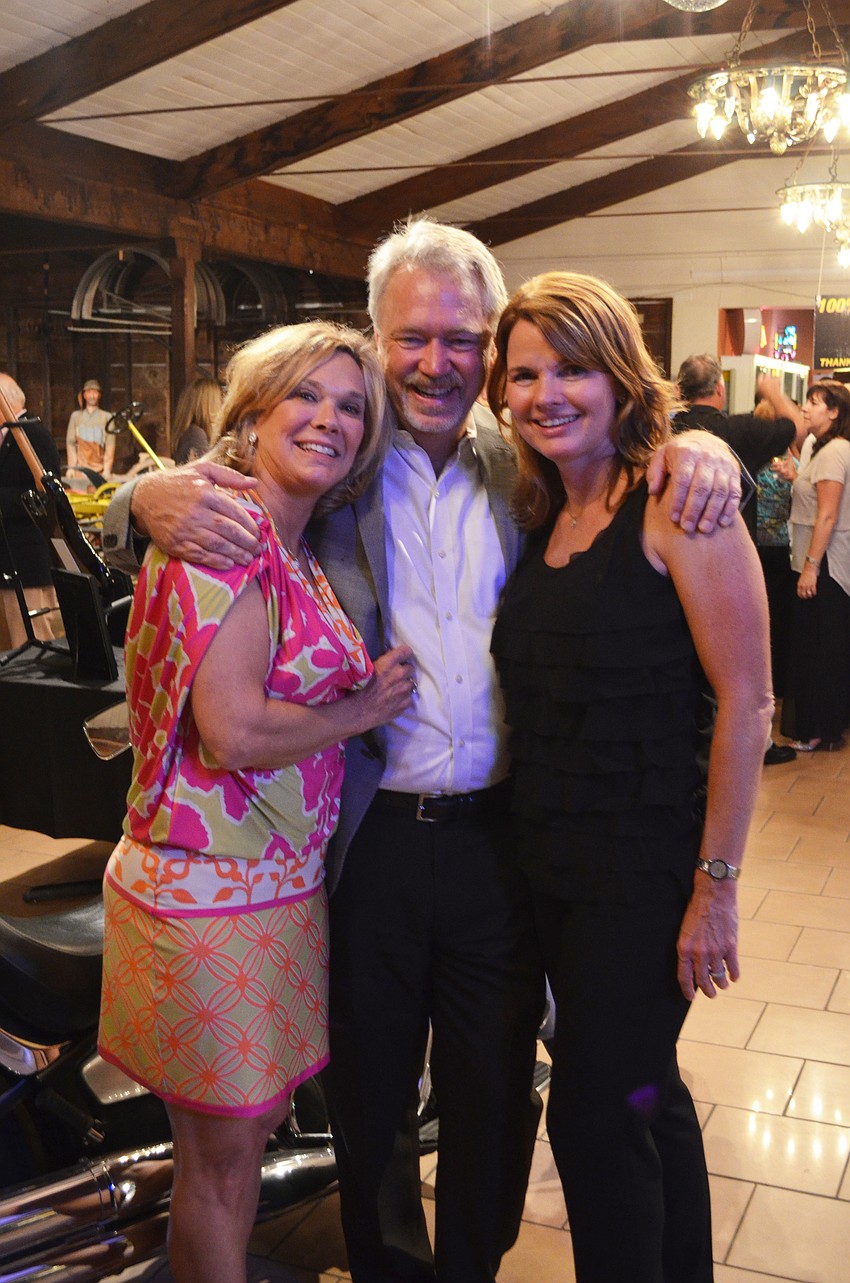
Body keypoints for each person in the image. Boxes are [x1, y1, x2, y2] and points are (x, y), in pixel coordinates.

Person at [100, 217, 744, 1283]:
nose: (436, 362)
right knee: (370, 1096)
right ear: (376, 334)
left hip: (503, 839)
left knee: (494, 1092)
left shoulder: (531, 465)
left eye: (463, 338)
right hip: (367, 841)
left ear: (490, 346)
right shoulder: (340, 458)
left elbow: (633, 453)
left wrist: (702, 445)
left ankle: (470, 1269)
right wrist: (140, 498)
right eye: (412, 336)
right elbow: (215, 473)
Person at [96, 320, 416, 1283]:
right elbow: (231, 731)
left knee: (240, 1142)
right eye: (306, 396)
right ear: (252, 411)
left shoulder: (288, 536)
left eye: (352, 405)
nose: (330, 419)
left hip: (269, 887)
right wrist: (363, 707)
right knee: (223, 1168)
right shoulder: (224, 531)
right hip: (210, 892)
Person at [488, 272, 772, 1283]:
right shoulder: (536, 509)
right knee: (647, 1089)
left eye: (571, 366)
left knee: (595, 1113)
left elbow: (748, 703)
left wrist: (717, 890)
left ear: (620, 377)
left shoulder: (674, 502)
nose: (546, 391)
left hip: (647, 874)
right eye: (524, 371)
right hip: (549, 864)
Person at [674, 353, 805, 765]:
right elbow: (794, 426)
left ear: (679, 391)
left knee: (680, 657)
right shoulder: (738, 431)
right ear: (720, 389)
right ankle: (745, 751)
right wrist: (773, 391)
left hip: (664, 560)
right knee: (735, 672)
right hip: (725, 561)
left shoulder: (660, 428)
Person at [779, 379, 850, 751]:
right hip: (818, 563)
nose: (805, 408)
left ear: (835, 412)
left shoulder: (835, 450)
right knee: (818, 645)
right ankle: (821, 725)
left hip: (826, 567)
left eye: (814, 402)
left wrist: (811, 566)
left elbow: (827, 515)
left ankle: (820, 728)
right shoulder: (824, 450)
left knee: (821, 648)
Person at [0, 373, 61, 650]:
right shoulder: (10, 435)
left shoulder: (32, 433)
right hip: (7, 563)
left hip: (27, 562)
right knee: (10, 647)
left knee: (32, 644)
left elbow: (46, 496)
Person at [66, 378, 114, 481]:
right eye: (89, 392)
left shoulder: (106, 417)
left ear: (99, 395)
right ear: (84, 395)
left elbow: (110, 446)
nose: (92, 396)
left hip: (99, 470)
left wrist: (107, 470)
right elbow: (70, 444)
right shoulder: (76, 417)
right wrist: (71, 468)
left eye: (95, 392)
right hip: (80, 470)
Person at [171, 375, 222, 465]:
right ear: (208, 405)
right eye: (219, 399)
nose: (222, 404)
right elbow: (209, 472)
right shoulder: (195, 434)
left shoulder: (192, 433)